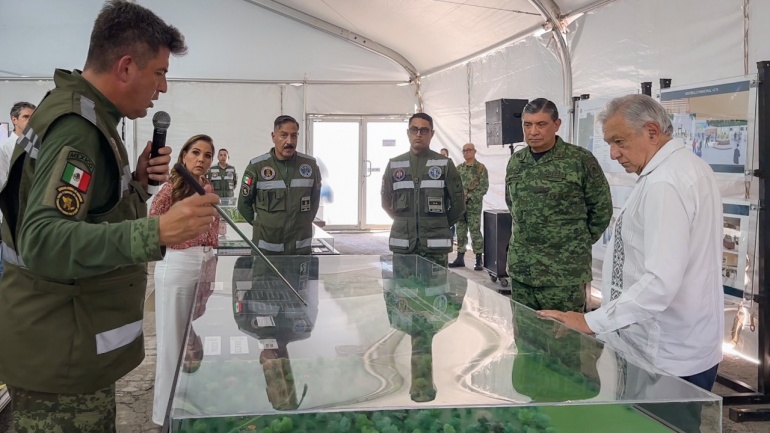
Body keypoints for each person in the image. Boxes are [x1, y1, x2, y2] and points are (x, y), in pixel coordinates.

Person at [0, 2, 220, 432]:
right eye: (159, 73)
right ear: (126, 67)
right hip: (59, 354)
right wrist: (156, 230)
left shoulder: (87, 114)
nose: (163, 88)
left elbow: (83, 209)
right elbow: (42, 240)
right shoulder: (79, 128)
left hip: (67, 341)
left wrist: (135, 183)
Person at [538, 94, 723, 391]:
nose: (613, 154)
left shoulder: (665, 182)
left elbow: (660, 282)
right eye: (610, 143)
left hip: (665, 352)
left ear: (651, 132)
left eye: (619, 142)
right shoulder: (686, 167)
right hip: (683, 340)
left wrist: (591, 322)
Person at [505, 98, 611, 312]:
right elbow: (512, 204)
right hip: (523, 270)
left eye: (541, 124)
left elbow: (601, 209)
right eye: (528, 125)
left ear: (557, 124)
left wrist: (573, 244)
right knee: (524, 330)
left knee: (563, 331)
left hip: (564, 274)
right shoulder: (517, 161)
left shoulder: (579, 160)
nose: (533, 131)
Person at [149, 134, 220, 425]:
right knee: (172, 343)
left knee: (193, 336)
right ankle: (164, 417)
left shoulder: (208, 188)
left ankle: (188, 406)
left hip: (204, 264)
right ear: (183, 156)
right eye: (196, 152)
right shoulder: (171, 188)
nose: (201, 159)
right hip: (177, 265)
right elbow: (153, 224)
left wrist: (211, 266)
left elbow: (213, 232)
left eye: (207, 155)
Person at [381, 113, 465, 267]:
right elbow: (386, 202)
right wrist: (405, 222)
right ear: (408, 133)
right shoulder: (394, 165)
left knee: (436, 284)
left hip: (435, 247)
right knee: (402, 283)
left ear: (432, 134)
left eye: (424, 130)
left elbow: (459, 206)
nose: (418, 134)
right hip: (404, 245)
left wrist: (439, 223)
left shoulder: (445, 165)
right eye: (414, 129)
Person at [238, 115, 322, 255]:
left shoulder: (310, 166)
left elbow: (314, 201)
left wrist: (302, 222)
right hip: (266, 250)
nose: (289, 141)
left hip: (300, 249)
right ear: (273, 136)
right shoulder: (257, 167)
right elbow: (243, 205)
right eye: (284, 135)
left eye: (294, 136)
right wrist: (262, 224)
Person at [448, 142, 488, 270]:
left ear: (474, 151)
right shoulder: (459, 169)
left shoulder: (480, 169)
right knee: (460, 230)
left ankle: (478, 259)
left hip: (473, 206)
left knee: (475, 231)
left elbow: (483, 187)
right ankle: (460, 257)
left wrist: (469, 196)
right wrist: (457, 198)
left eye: (469, 150)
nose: (466, 153)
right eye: (464, 151)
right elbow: (453, 185)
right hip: (460, 206)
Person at [0, 102, 36, 190]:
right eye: (26, 117)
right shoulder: (4, 147)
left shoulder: (38, 145)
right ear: (14, 120)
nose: (30, 120)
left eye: (34, 117)